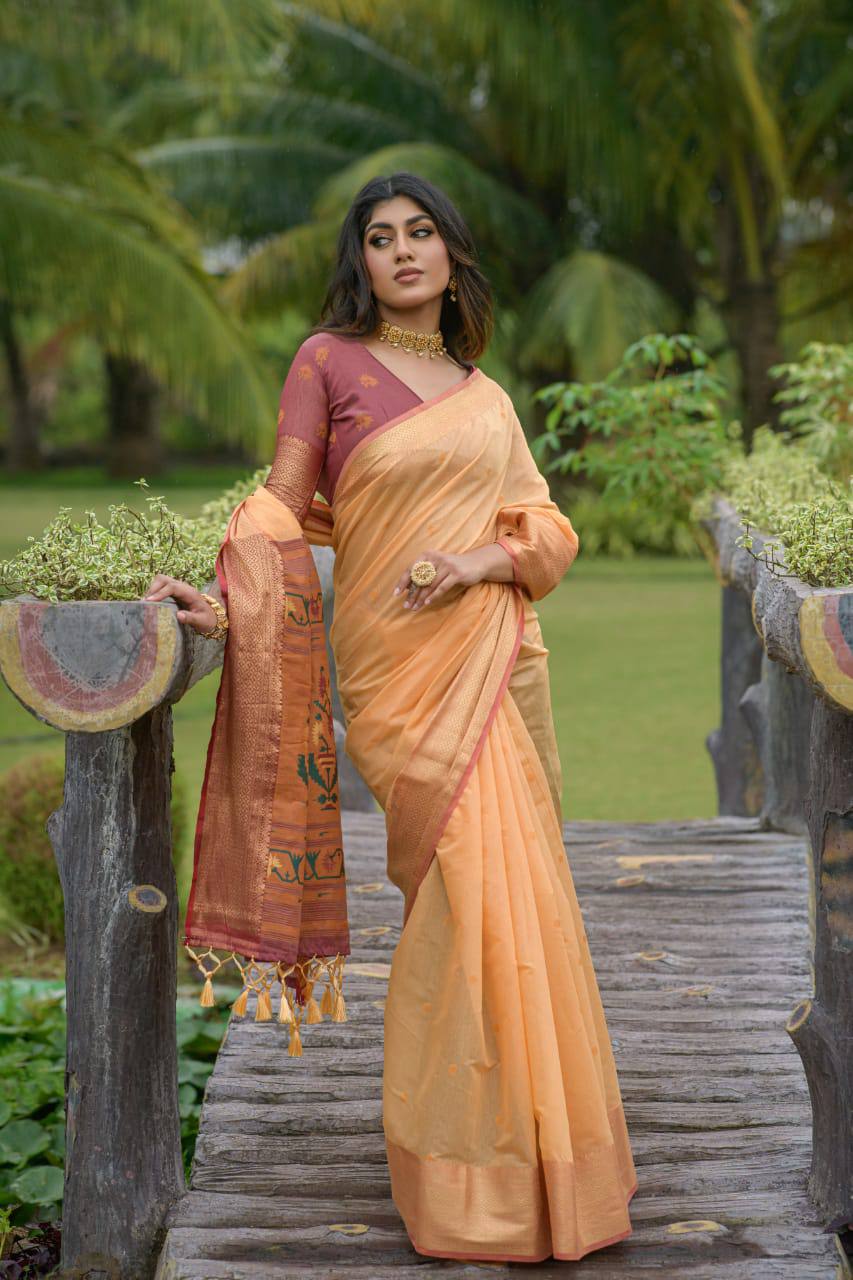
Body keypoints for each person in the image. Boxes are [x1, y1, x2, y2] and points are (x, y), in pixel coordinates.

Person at [143, 172, 637, 1263]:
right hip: (390, 671)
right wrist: (225, 598)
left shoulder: (486, 395)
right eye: (380, 237)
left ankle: (527, 1164)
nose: (403, 251)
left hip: (482, 653)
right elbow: (281, 503)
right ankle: (465, 1168)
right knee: (460, 884)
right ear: (359, 261)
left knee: (496, 897)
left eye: (421, 234)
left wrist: (475, 558)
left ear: (452, 257)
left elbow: (545, 528)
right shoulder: (325, 361)